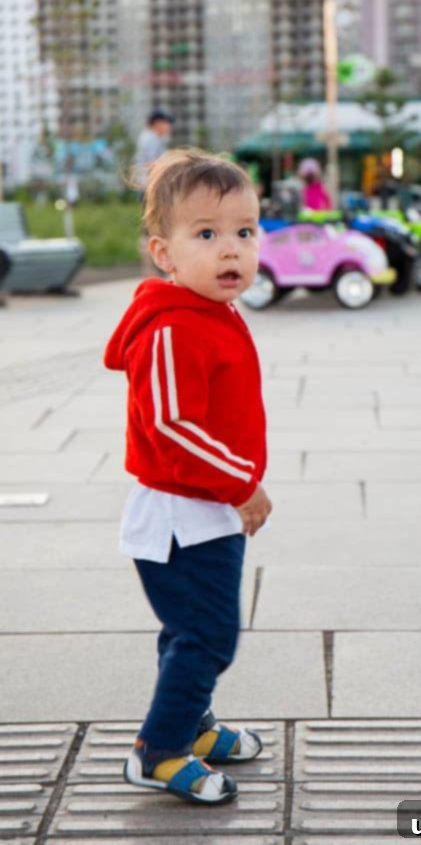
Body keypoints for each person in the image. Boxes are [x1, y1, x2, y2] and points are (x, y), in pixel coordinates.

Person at [104, 148, 272, 806]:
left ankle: (192, 726)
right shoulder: (173, 327)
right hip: (183, 514)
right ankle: (160, 750)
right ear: (164, 254)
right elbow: (173, 426)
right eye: (206, 234)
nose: (231, 249)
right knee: (208, 634)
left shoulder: (210, 312)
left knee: (190, 632)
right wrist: (241, 485)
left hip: (204, 509)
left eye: (245, 232)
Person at [132, 109, 175, 277]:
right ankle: (153, 271)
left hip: (149, 188)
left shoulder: (152, 138)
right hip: (149, 189)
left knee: (151, 229)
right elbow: (152, 164)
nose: (169, 127)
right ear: (157, 123)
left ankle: (154, 270)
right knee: (152, 229)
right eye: (167, 123)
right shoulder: (151, 139)